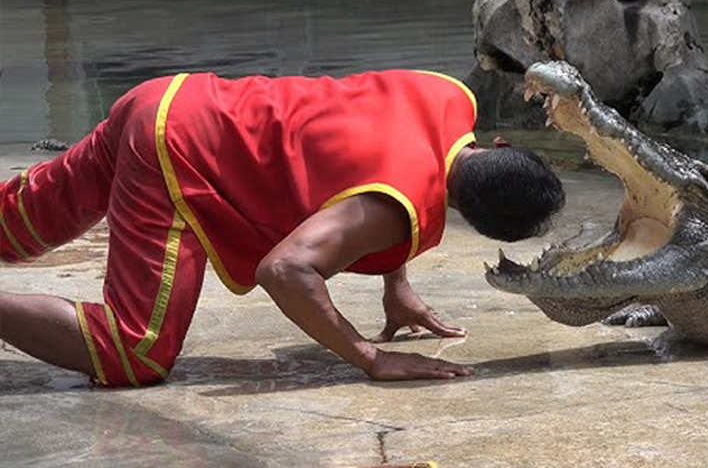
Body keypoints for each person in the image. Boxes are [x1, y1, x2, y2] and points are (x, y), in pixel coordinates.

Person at [0, 70, 564, 387]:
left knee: (16, 225)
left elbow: (384, 161)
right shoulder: (395, 209)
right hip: (174, 149)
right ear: (471, 218)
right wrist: (369, 358)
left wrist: (397, 282)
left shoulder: (447, 96)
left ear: (499, 145)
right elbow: (286, 269)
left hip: (169, 96)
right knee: (132, 351)